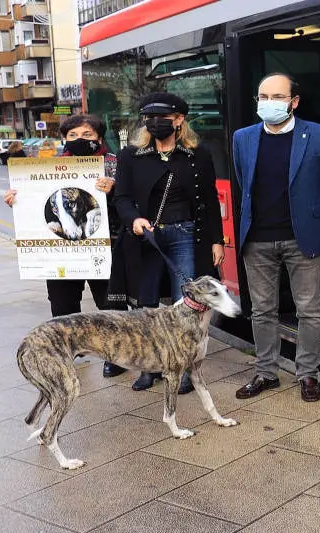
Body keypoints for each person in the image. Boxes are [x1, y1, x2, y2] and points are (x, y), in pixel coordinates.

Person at [231, 72, 320, 402]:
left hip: (304, 238)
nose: (268, 104)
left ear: (294, 102)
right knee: (262, 310)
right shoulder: (243, 138)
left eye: (277, 97)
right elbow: (243, 183)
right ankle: (266, 372)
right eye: (262, 97)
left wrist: (314, 215)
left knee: (309, 310)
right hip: (258, 239)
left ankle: (307, 374)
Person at [112, 92, 225, 394]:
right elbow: (121, 197)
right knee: (145, 307)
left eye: (161, 118)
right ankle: (148, 369)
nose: (153, 123)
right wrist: (134, 219)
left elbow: (210, 200)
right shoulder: (129, 155)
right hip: (145, 238)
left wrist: (217, 240)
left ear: (179, 120)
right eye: (148, 118)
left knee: (186, 305)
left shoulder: (197, 154)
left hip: (185, 235)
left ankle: (184, 369)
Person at [3, 114, 129, 378]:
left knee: (110, 304)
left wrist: (115, 190)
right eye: (72, 135)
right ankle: (70, 350)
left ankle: (116, 354)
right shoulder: (47, 168)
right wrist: (18, 198)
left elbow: (131, 202)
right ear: (64, 139)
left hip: (105, 246)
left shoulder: (116, 165)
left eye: (87, 135)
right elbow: (36, 202)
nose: (79, 140)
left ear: (99, 137)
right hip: (61, 252)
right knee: (62, 305)